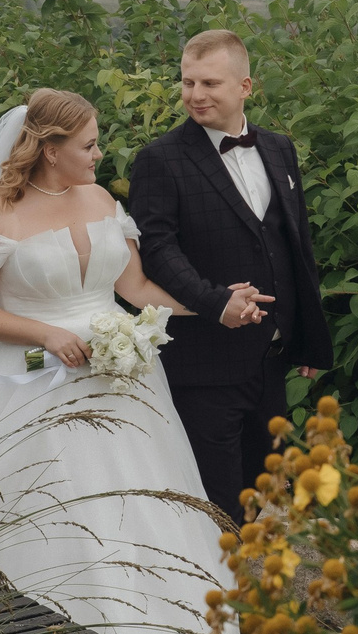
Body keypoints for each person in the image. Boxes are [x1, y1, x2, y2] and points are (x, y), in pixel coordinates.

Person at [0, 88, 230, 634]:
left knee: (143, 494)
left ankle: (161, 625)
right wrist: (46, 335)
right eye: (89, 145)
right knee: (48, 497)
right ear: (50, 150)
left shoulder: (101, 199)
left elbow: (136, 287)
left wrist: (214, 307)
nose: (100, 155)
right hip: (30, 379)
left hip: (121, 377)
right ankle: (26, 625)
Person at [126, 29, 334, 524]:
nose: (195, 95)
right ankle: (210, 596)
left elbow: (295, 245)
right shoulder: (159, 160)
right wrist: (215, 302)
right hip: (203, 361)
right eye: (187, 82)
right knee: (215, 503)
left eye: (210, 83)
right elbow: (157, 249)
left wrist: (307, 336)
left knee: (261, 486)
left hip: (270, 358)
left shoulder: (280, 149)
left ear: (245, 86)